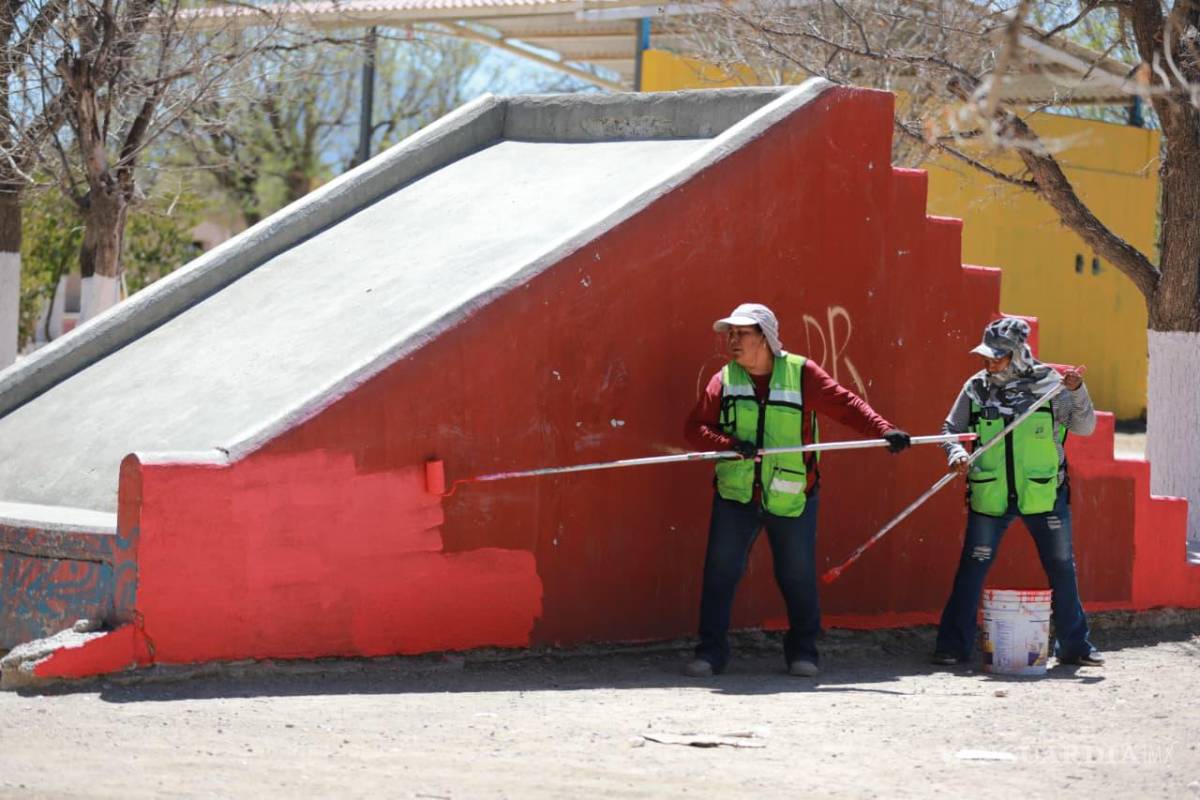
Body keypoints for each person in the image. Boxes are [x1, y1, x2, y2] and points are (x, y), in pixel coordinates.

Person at [683, 302, 911, 678]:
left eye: (742, 334)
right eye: (730, 334)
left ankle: (804, 651)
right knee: (719, 574)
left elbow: (846, 405)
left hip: (793, 495)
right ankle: (710, 653)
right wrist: (728, 444)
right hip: (736, 496)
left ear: (766, 338)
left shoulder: (802, 373)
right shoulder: (722, 379)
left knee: (797, 575)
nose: (732, 341)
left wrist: (884, 431)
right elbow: (694, 429)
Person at [932, 317, 1104, 667]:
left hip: (1044, 494)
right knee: (972, 569)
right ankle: (952, 646)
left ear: (1019, 354)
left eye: (999, 357)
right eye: (987, 356)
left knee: (1061, 569)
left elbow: (1085, 427)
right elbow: (951, 428)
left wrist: (1077, 391)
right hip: (990, 494)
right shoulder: (976, 387)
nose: (990, 363)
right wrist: (956, 452)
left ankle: (1075, 646)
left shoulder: (1051, 386)